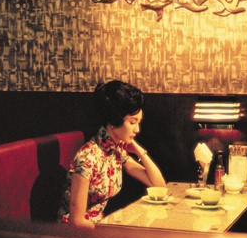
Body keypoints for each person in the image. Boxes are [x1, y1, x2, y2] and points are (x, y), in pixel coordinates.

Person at [58, 80, 166, 229]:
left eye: (138, 123)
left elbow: (159, 185)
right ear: (115, 120)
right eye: (132, 122)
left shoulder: (116, 151)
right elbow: (76, 222)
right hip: (75, 235)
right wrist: (111, 232)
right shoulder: (87, 158)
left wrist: (140, 151)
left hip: (98, 228)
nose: (137, 130)